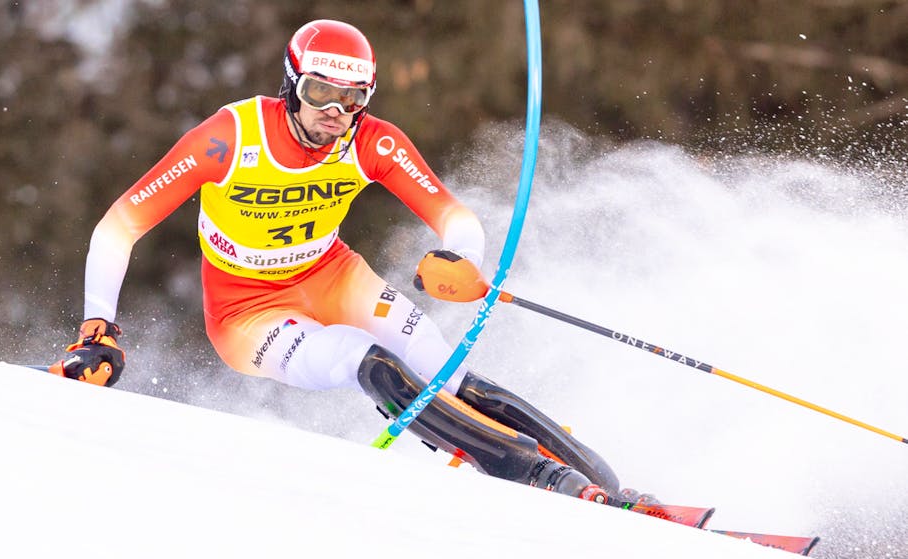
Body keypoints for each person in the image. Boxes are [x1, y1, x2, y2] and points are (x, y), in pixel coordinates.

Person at [55, 19, 627, 504]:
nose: (335, 112)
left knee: (442, 367)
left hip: (331, 275)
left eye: (353, 98)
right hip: (246, 311)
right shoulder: (231, 137)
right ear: (290, 85)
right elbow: (119, 226)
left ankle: (597, 480)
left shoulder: (371, 140)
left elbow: (456, 217)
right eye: (319, 92)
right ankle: (538, 477)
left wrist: (460, 257)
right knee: (365, 360)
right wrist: (96, 326)